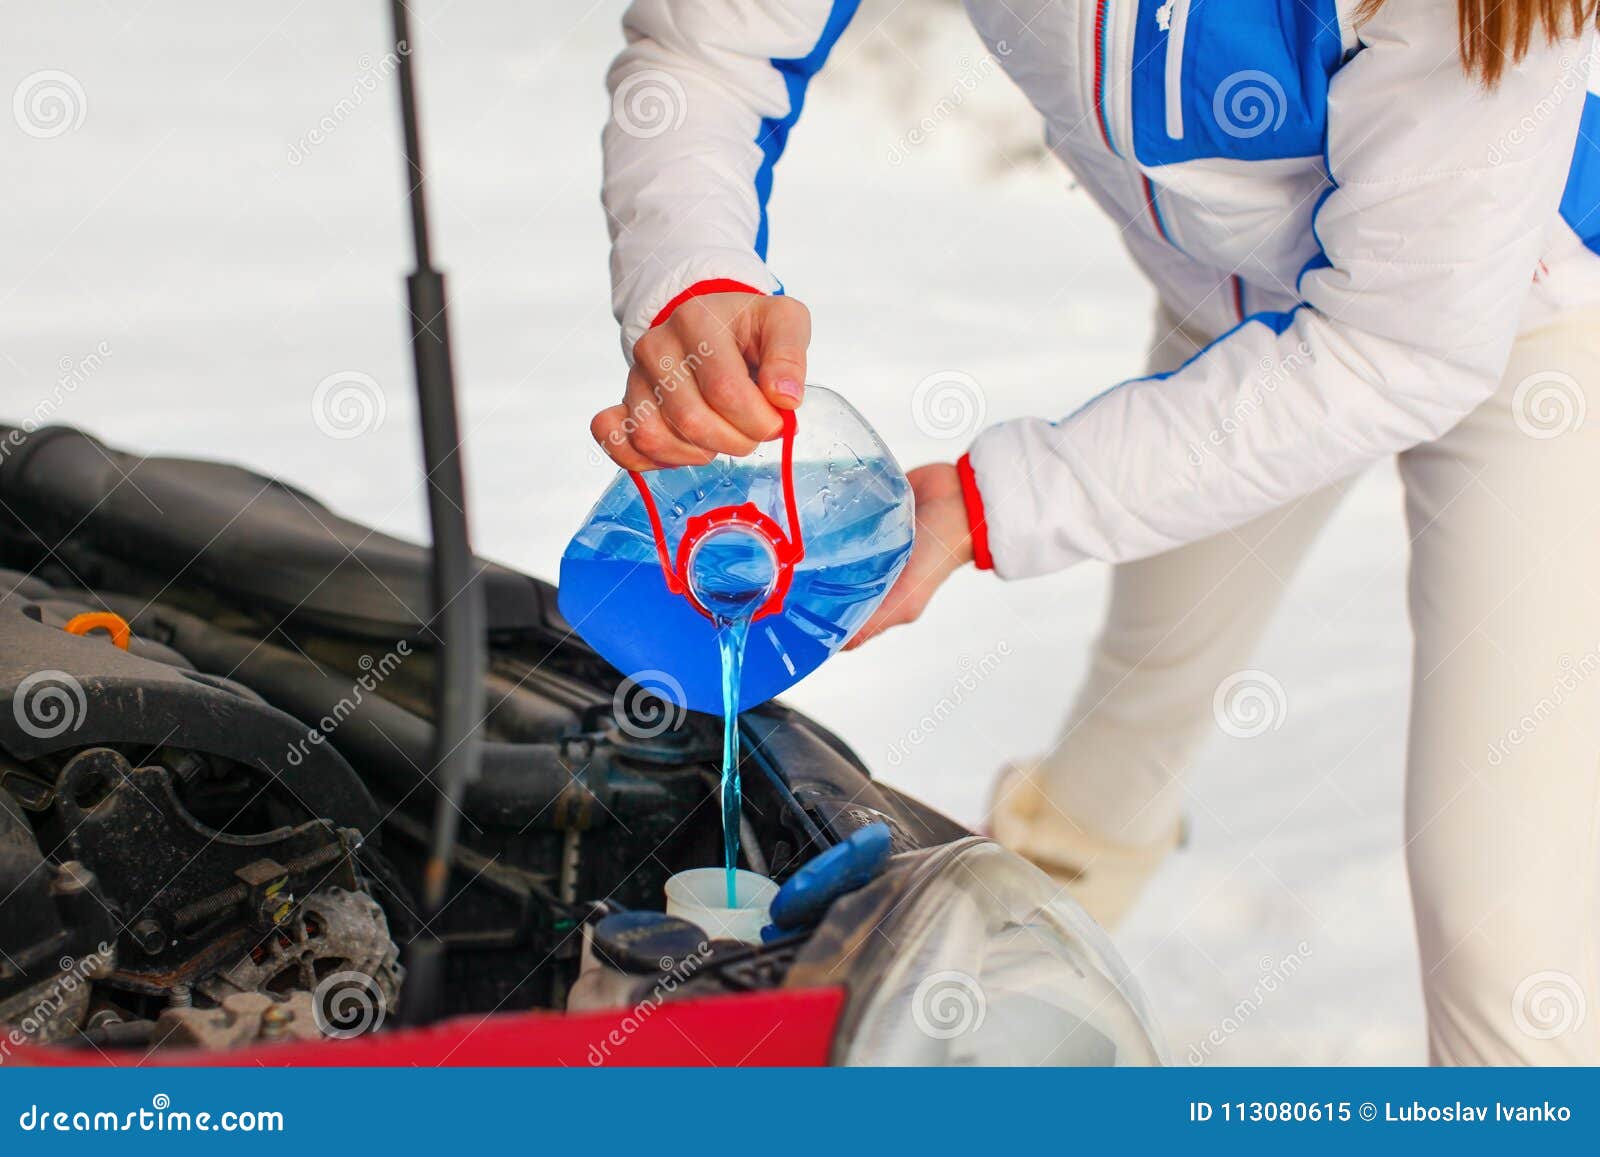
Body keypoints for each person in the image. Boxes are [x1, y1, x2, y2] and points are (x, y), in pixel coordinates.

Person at [593, 0, 1600, 1064]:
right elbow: (715, 42)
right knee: (1139, 703)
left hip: (1531, 335)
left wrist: (995, 503)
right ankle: (995, 1011)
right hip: (1240, 332)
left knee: (1497, 912)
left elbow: (1397, 352)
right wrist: (690, 270)